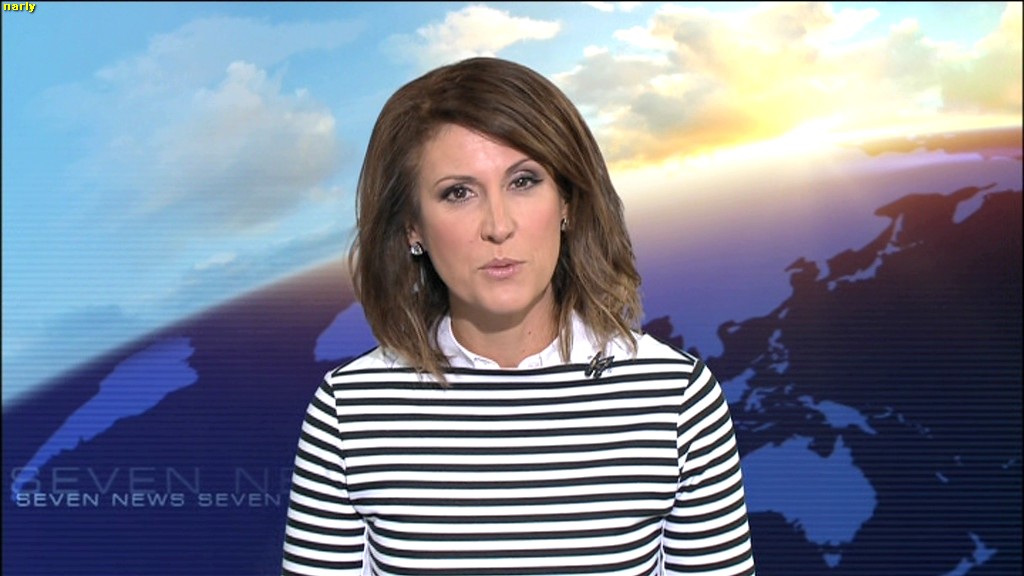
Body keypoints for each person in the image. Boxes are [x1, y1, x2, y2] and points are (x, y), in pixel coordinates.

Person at [281, 56, 756, 576]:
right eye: (458, 193)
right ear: (412, 227)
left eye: (523, 181)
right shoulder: (349, 412)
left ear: (567, 201)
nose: (498, 225)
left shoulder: (676, 399)